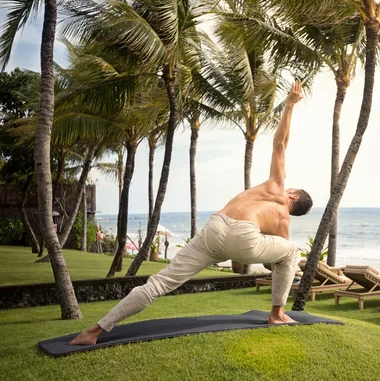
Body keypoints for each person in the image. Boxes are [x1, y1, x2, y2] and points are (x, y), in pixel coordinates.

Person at [69, 80, 312, 345]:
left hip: (214, 228)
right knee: (290, 252)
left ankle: (93, 331)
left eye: (293, 187)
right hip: (243, 239)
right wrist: (281, 267)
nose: (288, 186)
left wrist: (289, 105)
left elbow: (280, 143)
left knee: (159, 283)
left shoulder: (276, 187)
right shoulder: (282, 224)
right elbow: (271, 261)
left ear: (293, 195)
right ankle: (277, 314)